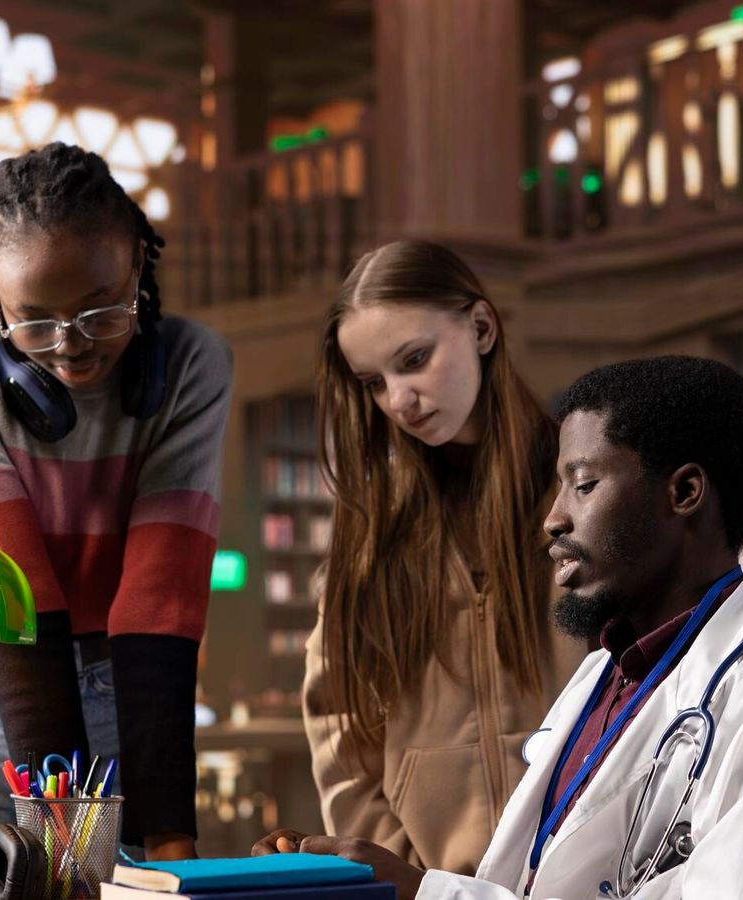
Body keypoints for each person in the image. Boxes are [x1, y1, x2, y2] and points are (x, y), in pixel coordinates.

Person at [258, 355, 743, 899]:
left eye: (584, 484)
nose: (553, 519)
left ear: (684, 493)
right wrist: (385, 883)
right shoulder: (604, 676)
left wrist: (423, 892)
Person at [0, 142, 231, 859]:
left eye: (101, 312)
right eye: (33, 320)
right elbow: (5, 585)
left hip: (118, 703)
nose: (70, 347)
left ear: (137, 267)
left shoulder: (195, 365)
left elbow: (161, 596)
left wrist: (168, 834)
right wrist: (64, 830)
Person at [282, 239, 584, 874]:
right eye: (374, 383)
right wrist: (404, 874)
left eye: (414, 360)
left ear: (481, 328)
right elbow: (341, 727)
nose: (399, 400)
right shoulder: (371, 536)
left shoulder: (582, 498)